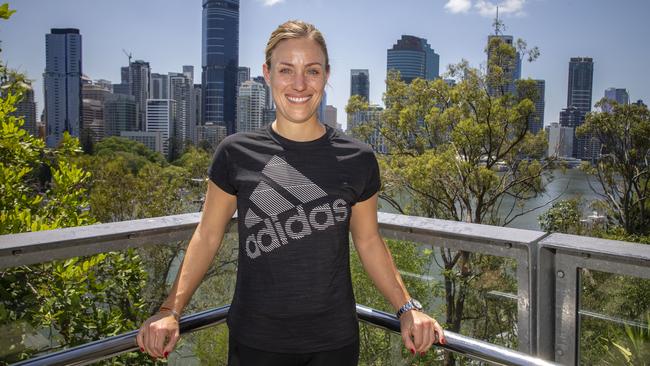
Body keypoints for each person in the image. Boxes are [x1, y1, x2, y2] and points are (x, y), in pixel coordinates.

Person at [136, 19, 445, 365]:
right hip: (255, 341)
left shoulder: (358, 158)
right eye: (286, 70)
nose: (299, 84)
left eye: (312, 71)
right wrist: (169, 310)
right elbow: (207, 235)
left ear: (327, 75)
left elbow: (370, 241)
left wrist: (407, 308)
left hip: (333, 343)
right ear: (267, 74)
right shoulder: (235, 152)